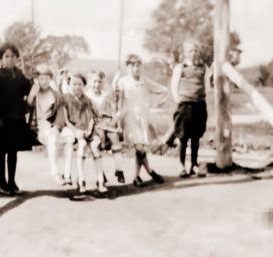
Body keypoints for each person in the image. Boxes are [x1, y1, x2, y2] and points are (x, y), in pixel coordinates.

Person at [0, 42, 35, 196]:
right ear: (1, 58)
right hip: (0, 121)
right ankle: (2, 183)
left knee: (13, 152)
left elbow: (28, 88)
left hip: (16, 120)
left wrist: (35, 80)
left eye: (13, 56)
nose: (10, 59)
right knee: (1, 152)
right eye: (6, 56)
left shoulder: (19, 75)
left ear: (16, 58)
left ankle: (12, 182)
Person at [113, 54, 166, 186]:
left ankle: (138, 176)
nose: (135, 68)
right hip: (130, 119)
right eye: (132, 65)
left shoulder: (145, 81)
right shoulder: (122, 81)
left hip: (143, 118)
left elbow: (163, 90)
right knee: (140, 148)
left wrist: (155, 105)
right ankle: (150, 172)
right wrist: (115, 82)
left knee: (141, 148)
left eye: (137, 65)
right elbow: (116, 99)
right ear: (127, 67)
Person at [26, 64, 75, 185]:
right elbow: (26, 108)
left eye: (47, 78)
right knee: (52, 138)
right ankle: (56, 174)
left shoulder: (55, 95)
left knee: (70, 136)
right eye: (41, 78)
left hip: (52, 125)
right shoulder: (34, 93)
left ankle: (67, 173)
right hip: (39, 127)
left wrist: (57, 126)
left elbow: (60, 113)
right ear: (37, 79)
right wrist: (31, 95)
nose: (44, 81)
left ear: (50, 79)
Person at [170, 40, 209, 178]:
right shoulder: (180, 68)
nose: (193, 53)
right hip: (185, 105)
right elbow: (174, 86)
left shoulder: (203, 68)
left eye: (194, 50)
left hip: (199, 105)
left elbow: (207, 86)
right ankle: (181, 165)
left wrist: (203, 98)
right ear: (185, 52)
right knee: (183, 137)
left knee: (196, 136)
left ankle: (194, 164)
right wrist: (178, 99)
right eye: (190, 51)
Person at [64, 73, 108, 193]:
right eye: (74, 84)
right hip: (76, 130)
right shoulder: (66, 98)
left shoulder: (87, 100)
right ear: (70, 84)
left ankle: (100, 182)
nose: (77, 87)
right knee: (82, 145)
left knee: (95, 146)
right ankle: (81, 181)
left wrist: (89, 130)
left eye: (80, 84)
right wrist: (76, 131)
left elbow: (91, 117)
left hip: (89, 130)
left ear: (84, 85)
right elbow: (66, 120)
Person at [85, 71, 125, 183]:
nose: (97, 84)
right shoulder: (87, 96)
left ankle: (119, 169)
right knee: (97, 143)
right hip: (94, 124)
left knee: (115, 137)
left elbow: (113, 111)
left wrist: (116, 124)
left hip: (107, 123)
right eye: (94, 82)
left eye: (99, 82)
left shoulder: (105, 95)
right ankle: (101, 174)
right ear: (89, 82)